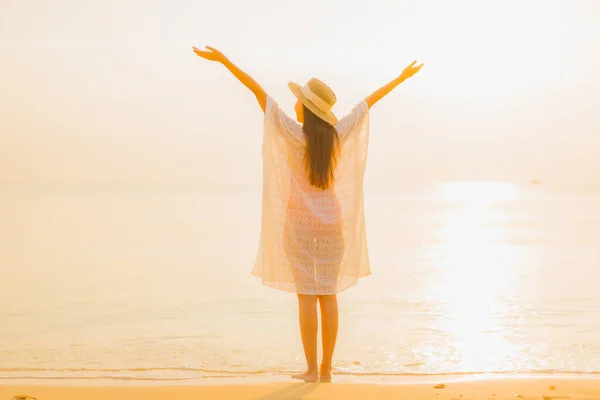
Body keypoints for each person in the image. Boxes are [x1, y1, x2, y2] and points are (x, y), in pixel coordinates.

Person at [193, 45, 423, 382]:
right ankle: (327, 370)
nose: (294, 103)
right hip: (332, 226)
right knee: (328, 297)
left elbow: (257, 91)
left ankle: (312, 369)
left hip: (298, 227)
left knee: (306, 299)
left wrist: (225, 61)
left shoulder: (289, 132)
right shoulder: (336, 135)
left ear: (307, 109)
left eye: (299, 100)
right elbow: (368, 103)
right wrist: (400, 78)